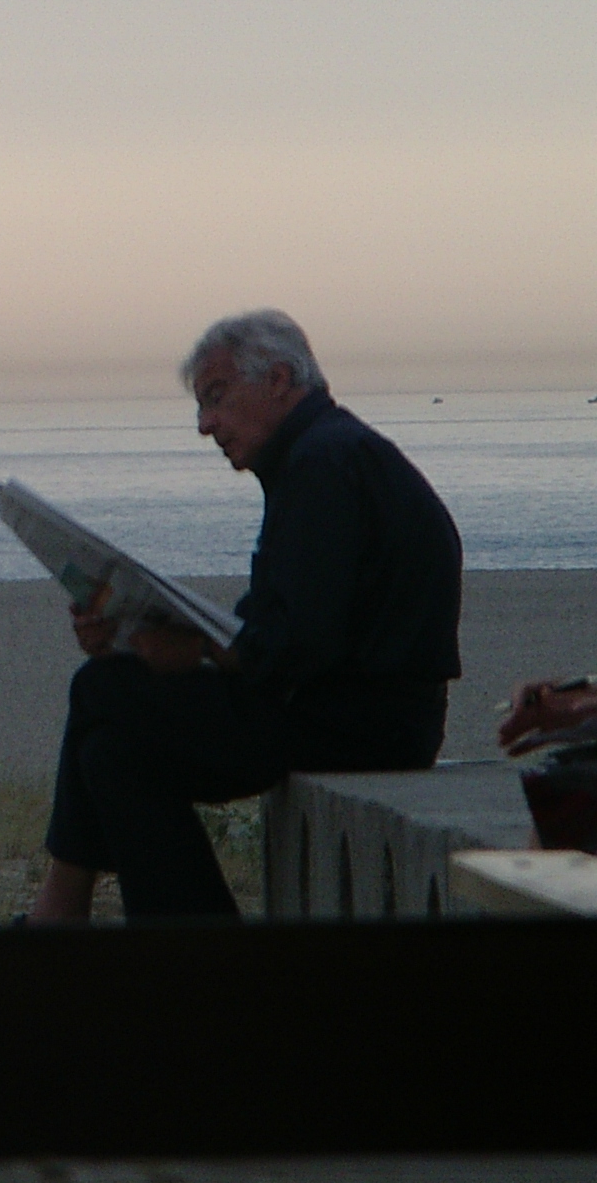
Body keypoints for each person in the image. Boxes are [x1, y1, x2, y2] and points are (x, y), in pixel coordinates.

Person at [27, 310, 463, 921]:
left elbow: (302, 646)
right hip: (354, 709)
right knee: (112, 747)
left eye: (216, 398)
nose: (206, 425)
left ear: (279, 379)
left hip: (360, 721)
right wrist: (143, 635)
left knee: (106, 693)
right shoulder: (326, 454)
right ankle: (195, 949)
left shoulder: (323, 464)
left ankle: (67, 917)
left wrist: (197, 651)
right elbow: (281, 626)